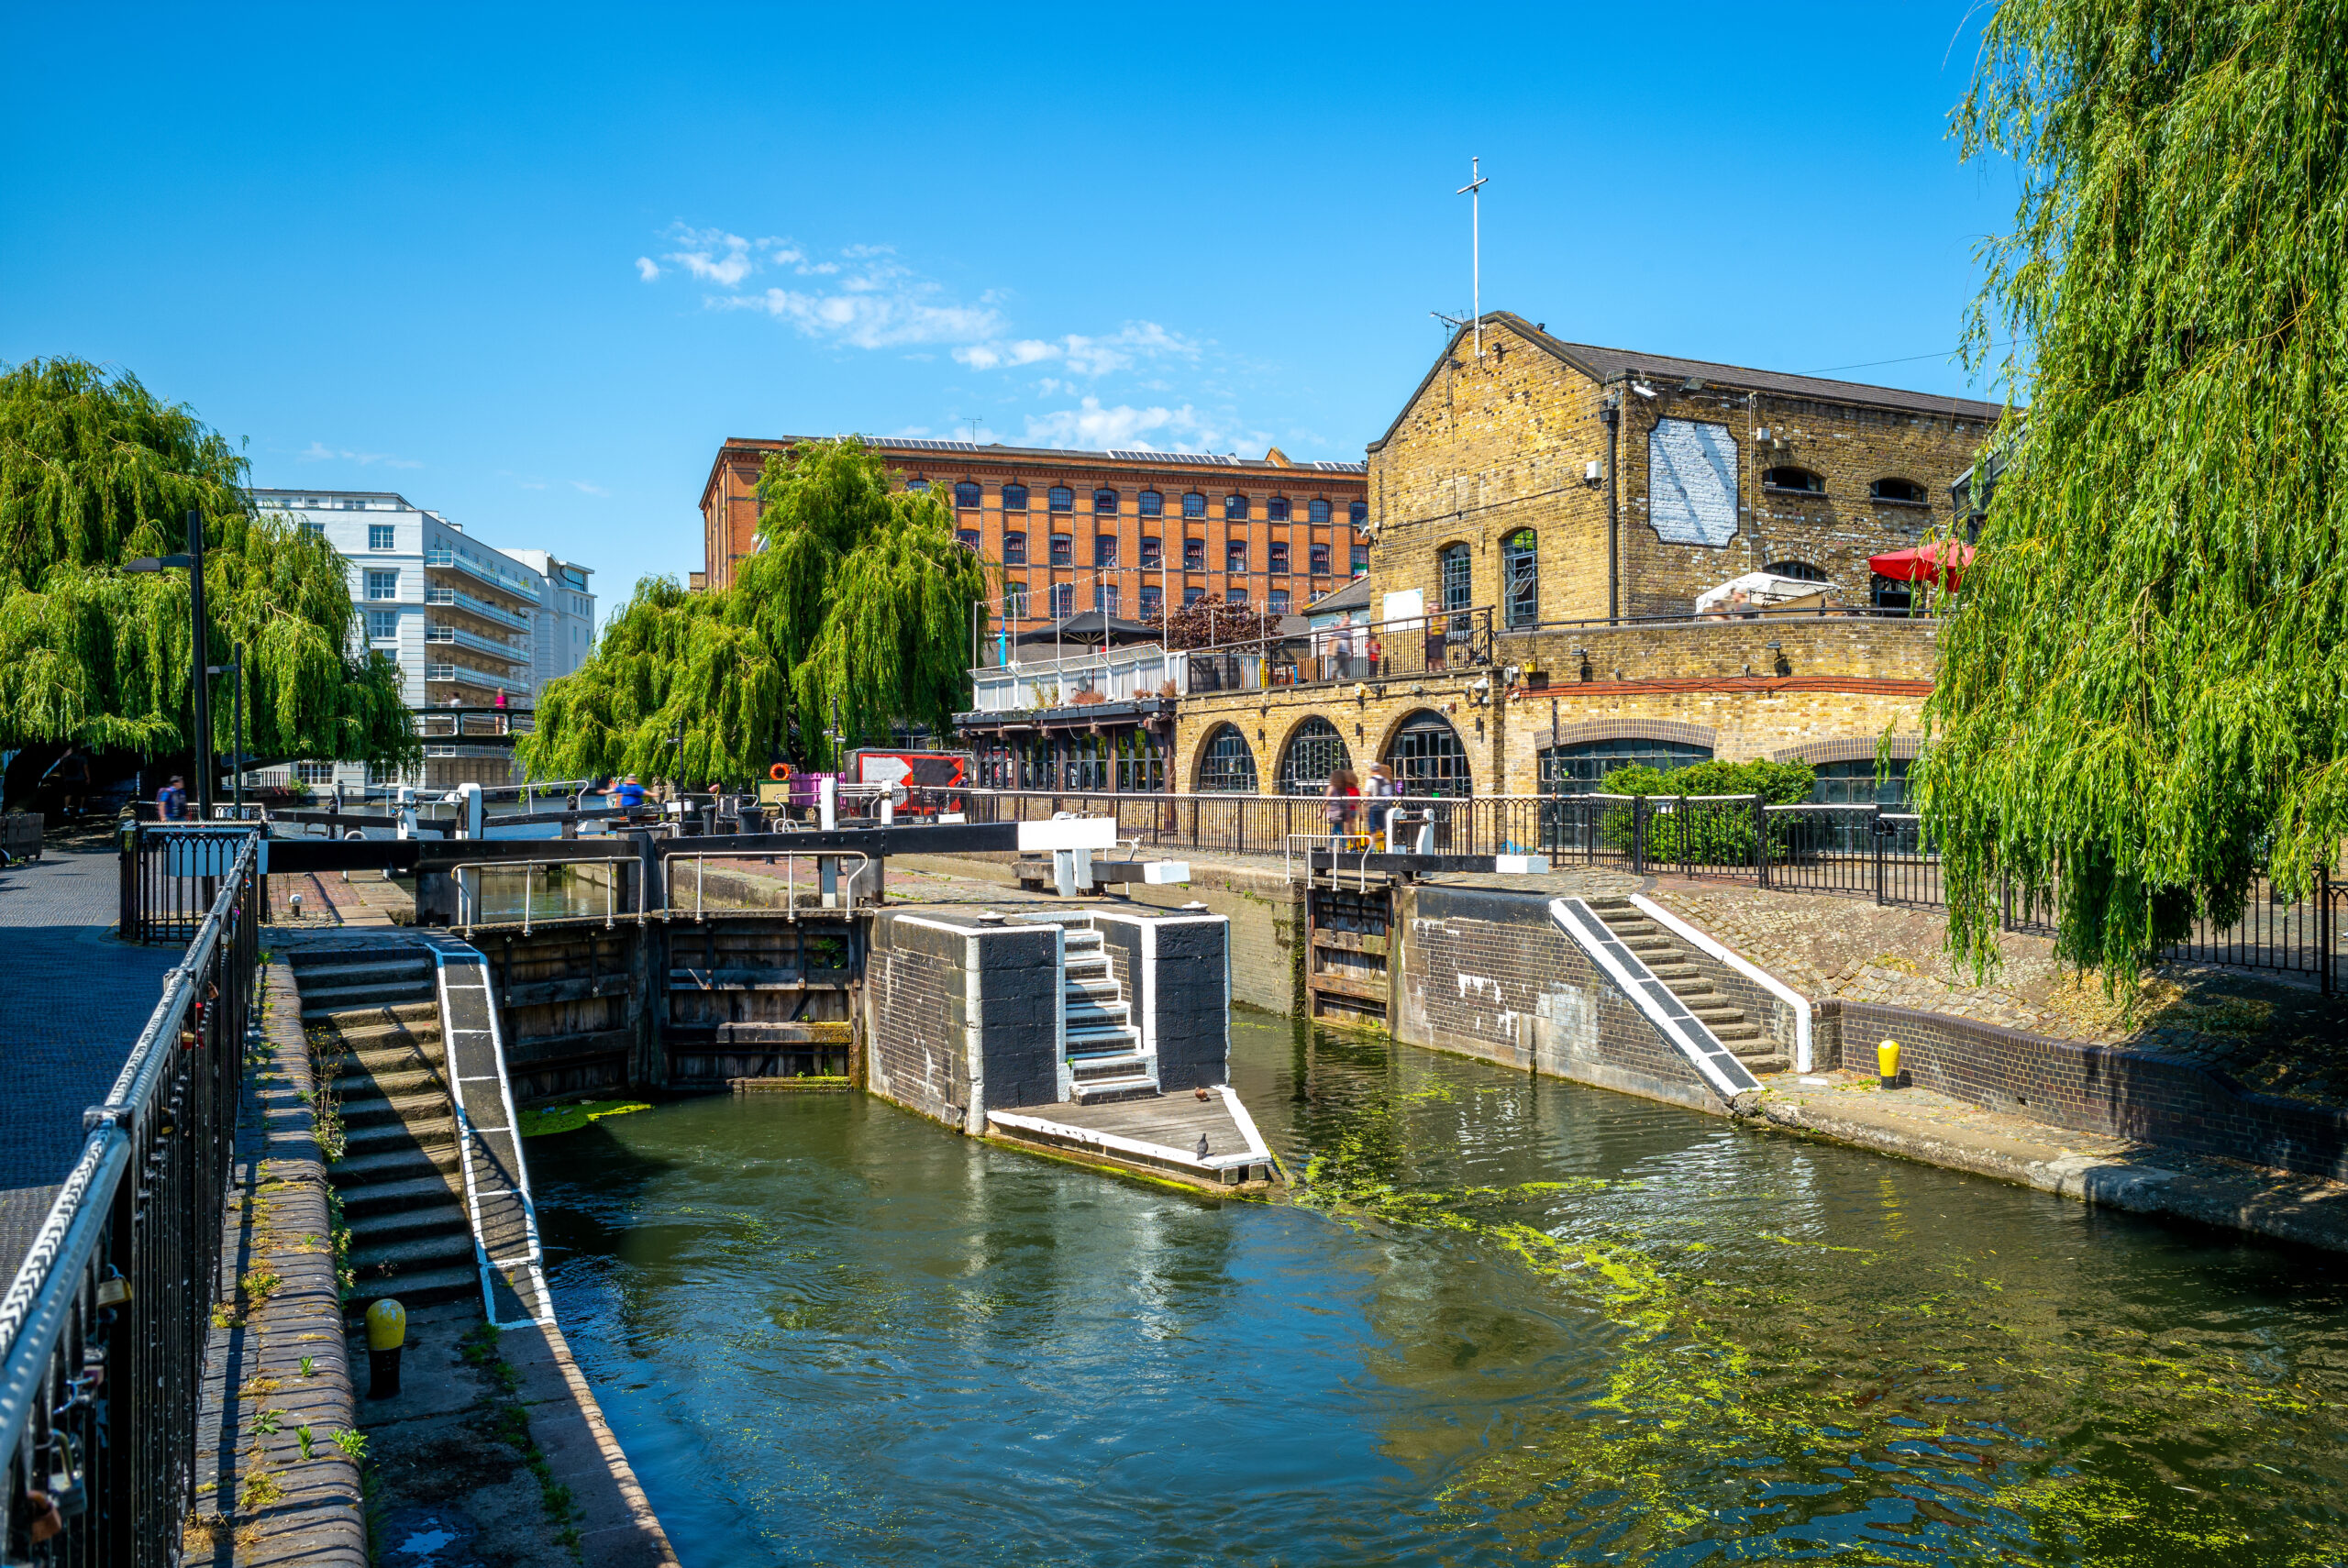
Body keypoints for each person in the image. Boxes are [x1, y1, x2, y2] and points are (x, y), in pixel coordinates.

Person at [45, 745, 90, 821]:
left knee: (69, 793)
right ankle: (81, 808)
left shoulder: (67, 758)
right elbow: (85, 768)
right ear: (79, 750)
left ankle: (66, 808)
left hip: (69, 779)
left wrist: (65, 776)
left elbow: (63, 768)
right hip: (80, 778)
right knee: (82, 793)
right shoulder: (82, 758)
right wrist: (88, 777)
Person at [1322, 767, 1360, 845]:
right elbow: (1355, 802)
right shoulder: (1352, 789)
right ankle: (1351, 844)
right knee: (1345, 828)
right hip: (1348, 811)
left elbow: (1327, 800)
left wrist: (1322, 811)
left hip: (1340, 811)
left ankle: (1344, 844)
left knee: (1342, 828)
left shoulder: (1337, 788)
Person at [1363, 762, 1396, 850]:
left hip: (1374, 806)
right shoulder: (1386, 780)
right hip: (1384, 807)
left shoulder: (1370, 780)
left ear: (1372, 770)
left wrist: (1364, 807)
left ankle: (1373, 849)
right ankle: (1390, 846)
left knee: (1373, 829)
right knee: (1384, 828)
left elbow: (1366, 796)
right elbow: (1389, 795)